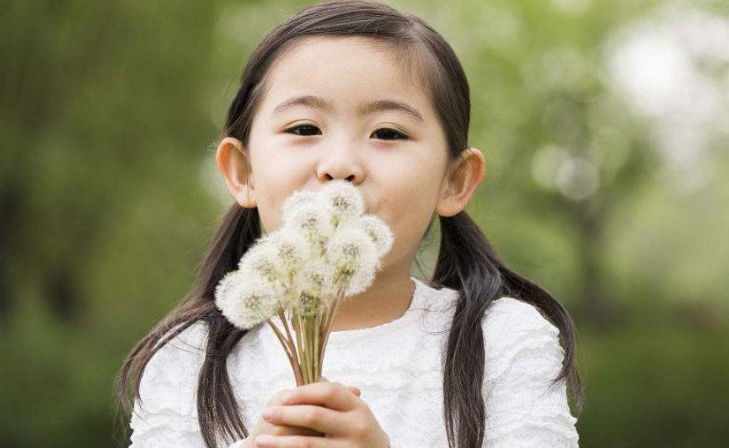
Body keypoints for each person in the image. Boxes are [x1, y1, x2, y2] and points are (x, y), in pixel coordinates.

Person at [116, 1, 584, 447]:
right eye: (304, 128)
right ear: (242, 172)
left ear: (454, 181)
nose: (340, 164)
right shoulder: (188, 359)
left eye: (388, 133)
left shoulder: (503, 342)